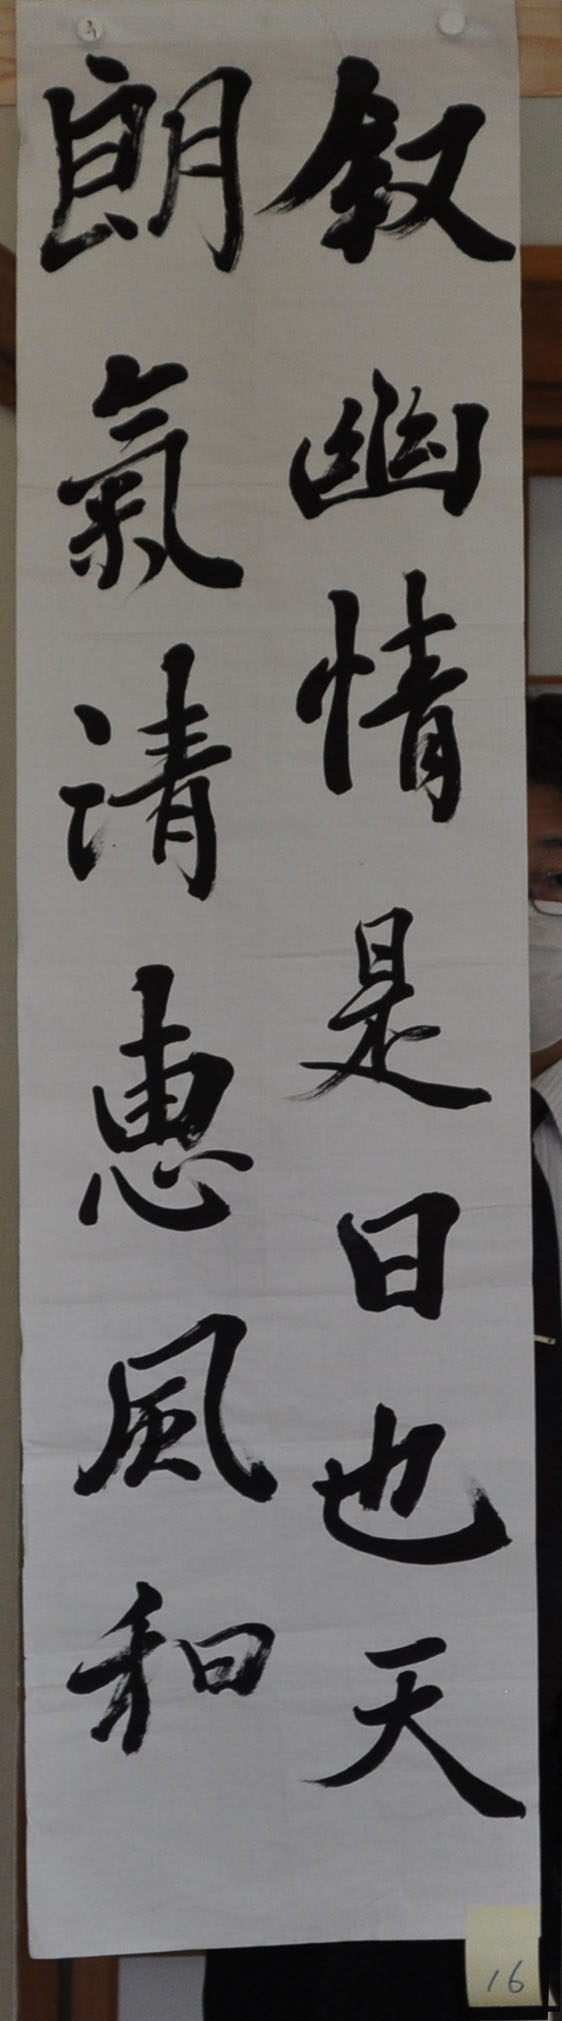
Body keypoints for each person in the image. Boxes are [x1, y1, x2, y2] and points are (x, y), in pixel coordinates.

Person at [203, 693, 562, 2020]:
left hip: (529, 1750)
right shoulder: (278, 1163)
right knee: (348, 1984)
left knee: (504, 1979)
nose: (518, 924)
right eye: (477, 887)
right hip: (346, 1724)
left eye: (549, 882)